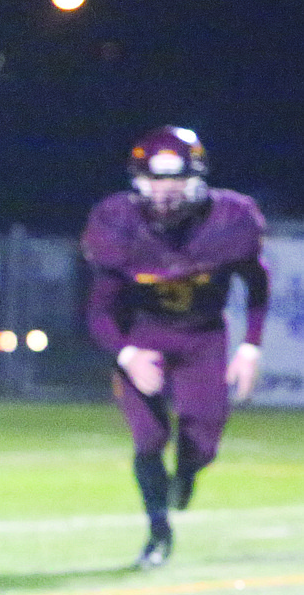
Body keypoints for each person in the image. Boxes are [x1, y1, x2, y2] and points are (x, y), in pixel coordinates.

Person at [80, 126, 269, 570]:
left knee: (203, 441)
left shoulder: (231, 218)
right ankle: (158, 533)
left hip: (203, 336)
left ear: (198, 178)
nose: (165, 192)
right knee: (149, 438)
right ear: (139, 182)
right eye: (156, 180)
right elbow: (99, 311)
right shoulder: (117, 222)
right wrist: (126, 353)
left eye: (175, 180)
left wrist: (251, 347)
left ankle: (185, 473)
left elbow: (257, 284)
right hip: (143, 334)